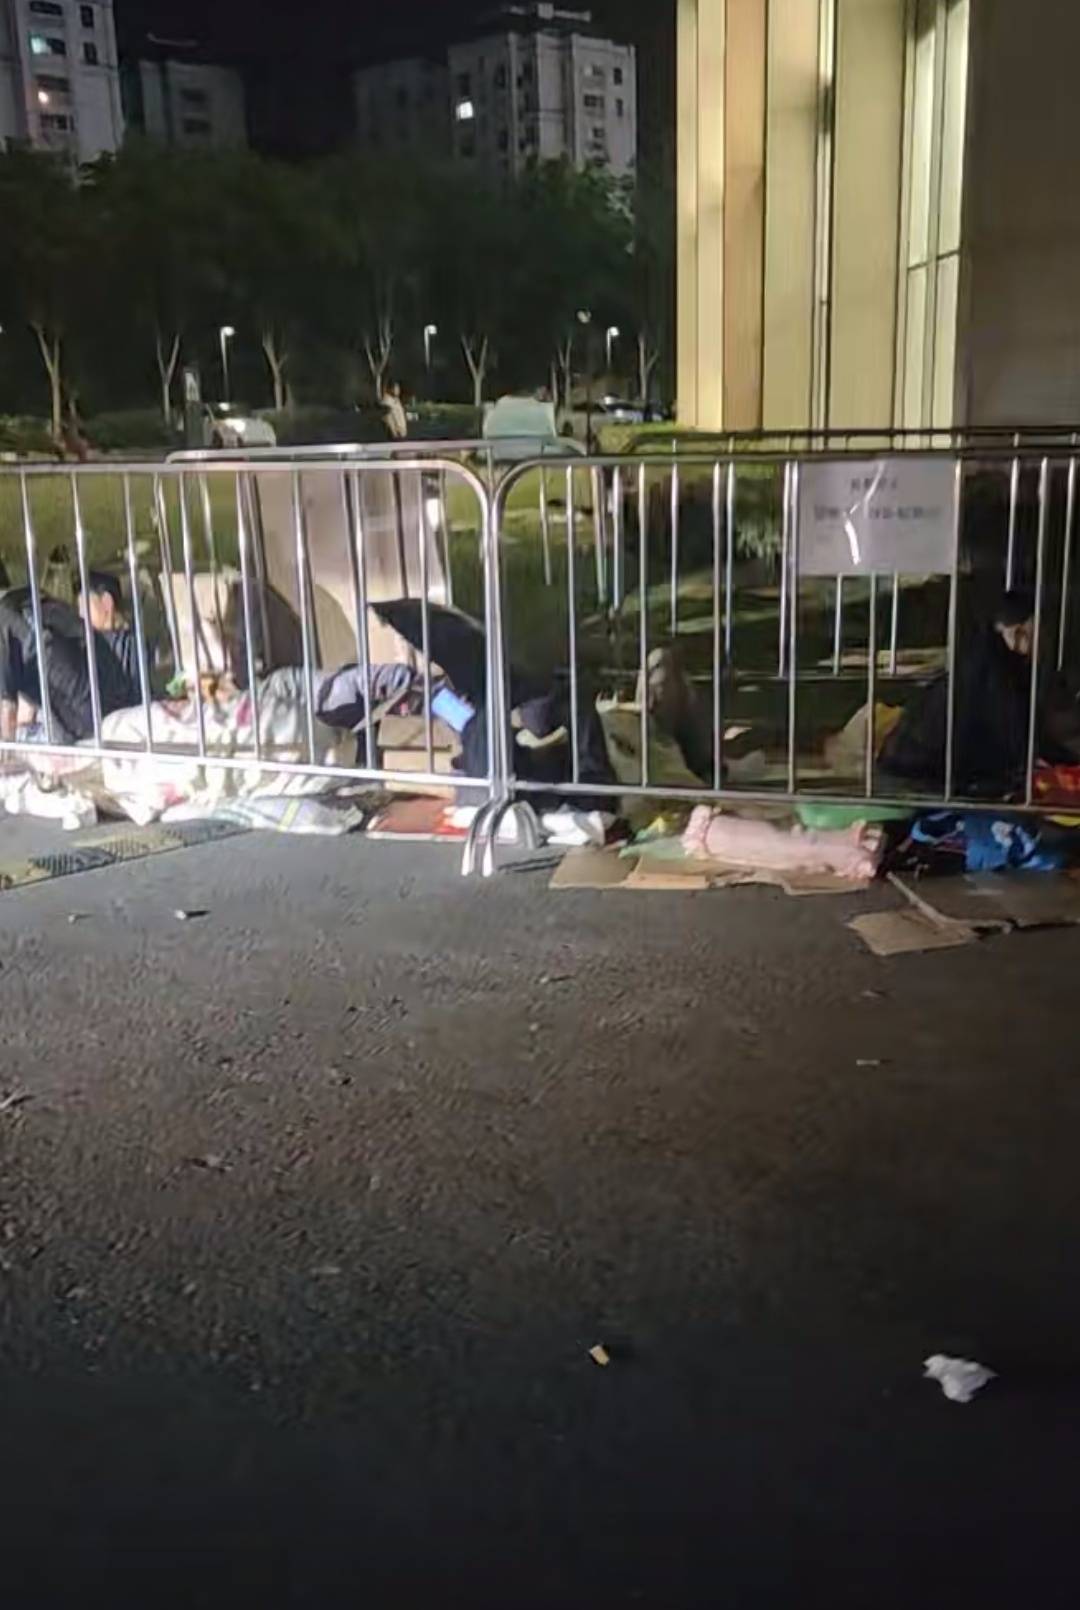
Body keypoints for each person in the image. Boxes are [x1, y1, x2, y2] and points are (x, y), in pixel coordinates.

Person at [879, 589, 1080, 796]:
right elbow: (1011, 731)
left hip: (923, 766)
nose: (1045, 639)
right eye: (1040, 631)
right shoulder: (990, 669)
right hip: (922, 773)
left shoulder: (993, 658)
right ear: (1019, 633)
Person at [0, 582, 139, 744]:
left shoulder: (5, 620)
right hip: (114, 701)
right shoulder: (32, 602)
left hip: (84, 721)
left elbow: (7, 711)